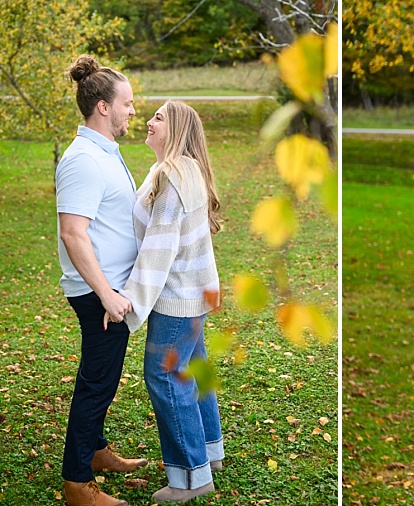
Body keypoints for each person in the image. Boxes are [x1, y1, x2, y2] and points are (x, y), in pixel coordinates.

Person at [118, 100, 224, 504]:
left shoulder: (172, 177)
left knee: (164, 376)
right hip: (197, 291)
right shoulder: (185, 168)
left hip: (178, 296)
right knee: (191, 373)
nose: (148, 120)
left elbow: (158, 251)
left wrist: (129, 303)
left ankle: (192, 478)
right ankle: (209, 454)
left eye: (158, 117)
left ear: (176, 129)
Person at [56, 54, 147, 506]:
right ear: (104, 107)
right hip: (98, 294)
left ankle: (93, 451)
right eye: (128, 103)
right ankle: (77, 484)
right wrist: (107, 293)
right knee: (97, 383)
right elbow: (73, 232)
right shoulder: (83, 161)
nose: (134, 111)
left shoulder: (104, 154)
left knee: (102, 379)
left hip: (111, 291)